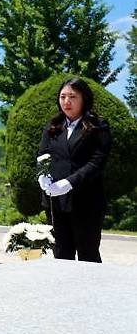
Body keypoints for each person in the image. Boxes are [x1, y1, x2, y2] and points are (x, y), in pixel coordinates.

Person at [37, 77, 111, 263]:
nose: (66, 102)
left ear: (84, 98)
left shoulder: (98, 125)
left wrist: (69, 182)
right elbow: (42, 155)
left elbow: (97, 162)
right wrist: (42, 175)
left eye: (72, 96)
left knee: (88, 254)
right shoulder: (53, 126)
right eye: (63, 96)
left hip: (86, 200)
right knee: (61, 254)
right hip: (56, 202)